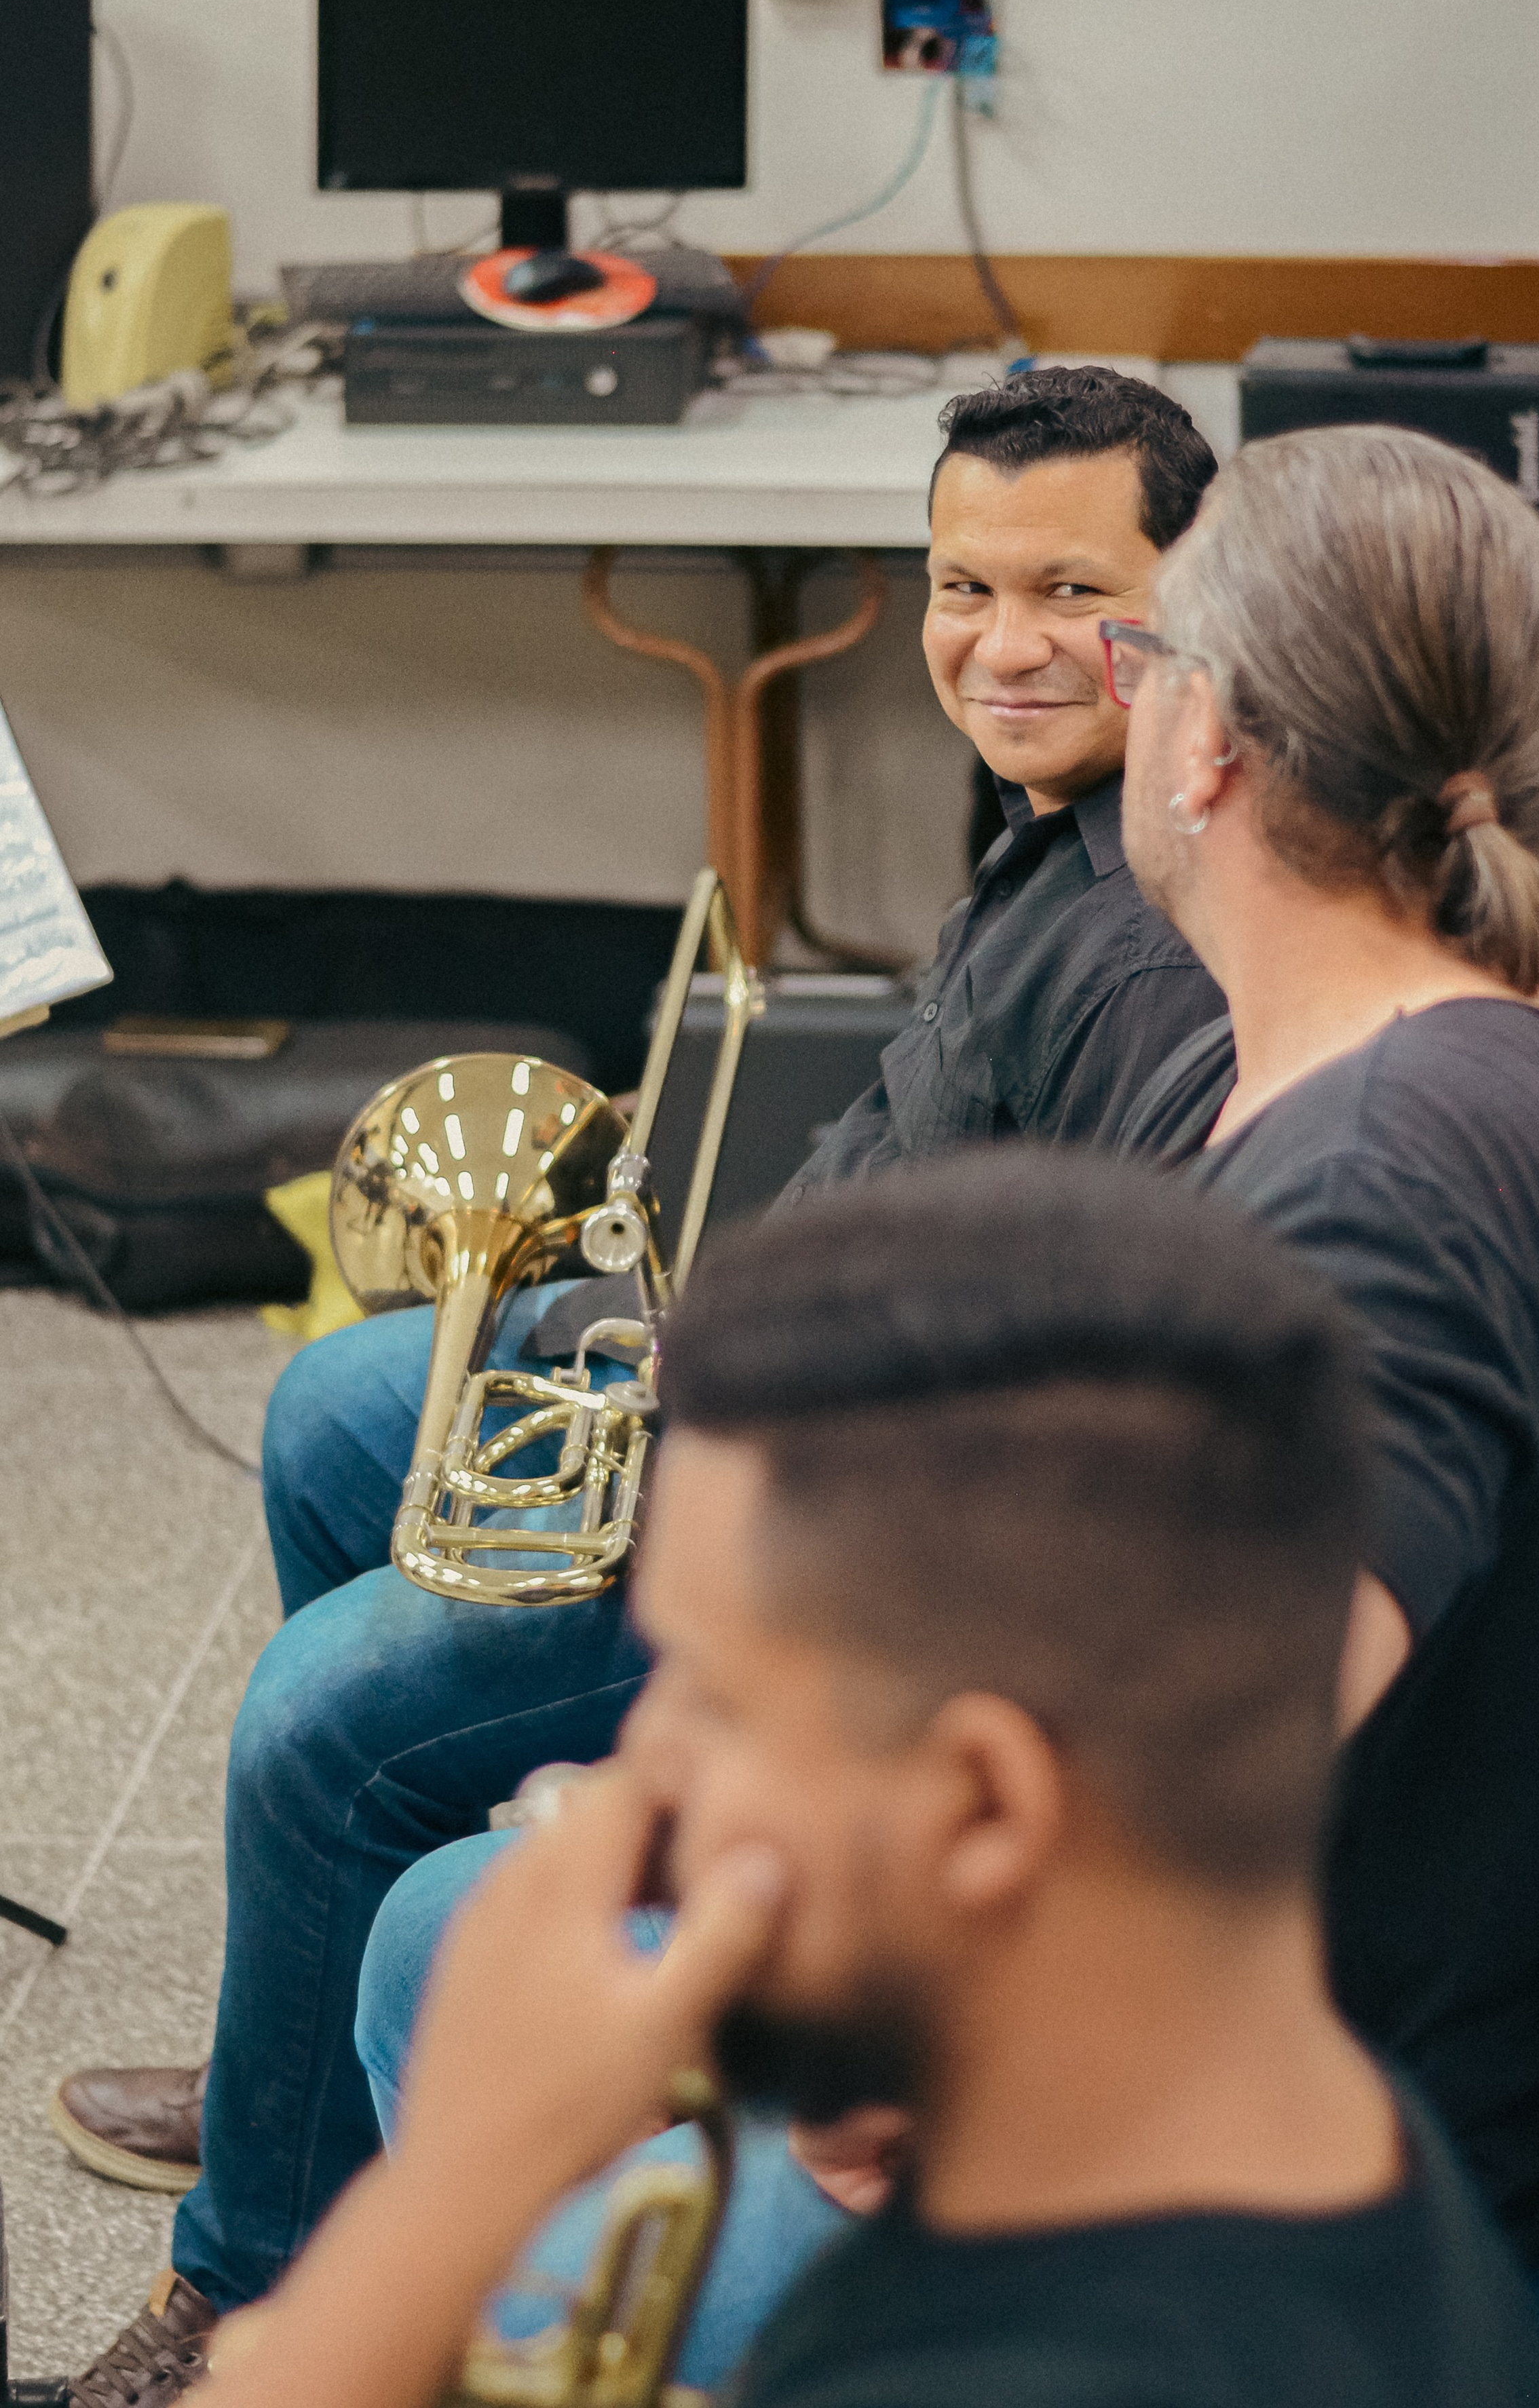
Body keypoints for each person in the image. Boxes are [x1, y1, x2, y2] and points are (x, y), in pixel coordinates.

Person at [56, 364, 1228, 2399]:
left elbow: (1054, 1399)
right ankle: (314, 2067)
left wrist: (729, 1401)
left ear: (1195, 599)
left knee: (314, 1724)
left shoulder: (1144, 943)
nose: (1003, 640)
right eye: (961, 584)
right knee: (350, 1403)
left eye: (1070, 588)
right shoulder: (1055, 828)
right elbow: (899, 1173)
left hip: (857, 1530)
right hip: (778, 1389)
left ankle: (257, 2269)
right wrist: (670, 1316)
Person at [200, 1153, 1539, 2408]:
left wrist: (452, 2196)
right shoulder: (1349, 2155)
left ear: (981, 1804)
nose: (633, 1767)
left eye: (712, 1697)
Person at [1099, 421, 1539, 2401]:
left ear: (1210, 744)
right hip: (1346, 2110)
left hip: (1300, 2217)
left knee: (460, 1955)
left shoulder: (1384, 1184)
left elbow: (1172, 1797)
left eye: (1142, 654)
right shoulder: (1492, 1047)